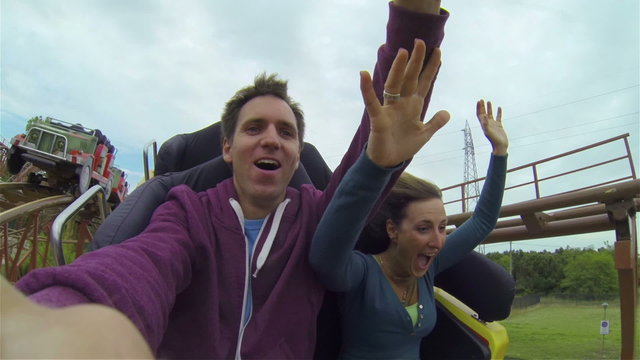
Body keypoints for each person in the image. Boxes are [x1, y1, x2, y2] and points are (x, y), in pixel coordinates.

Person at [2, 2, 450, 358]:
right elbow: (142, 266)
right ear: (226, 148)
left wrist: (416, 18)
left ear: (297, 158)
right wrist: (72, 315)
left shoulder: (317, 214)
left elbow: (371, 152)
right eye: (254, 128)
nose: (271, 140)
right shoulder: (186, 210)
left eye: (286, 133)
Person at [309, 99, 508, 359]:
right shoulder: (362, 272)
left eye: (442, 227)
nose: (437, 241)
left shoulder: (427, 271)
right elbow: (325, 258)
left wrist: (500, 152)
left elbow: (483, 221)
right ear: (393, 230)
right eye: (424, 228)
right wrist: (376, 164)